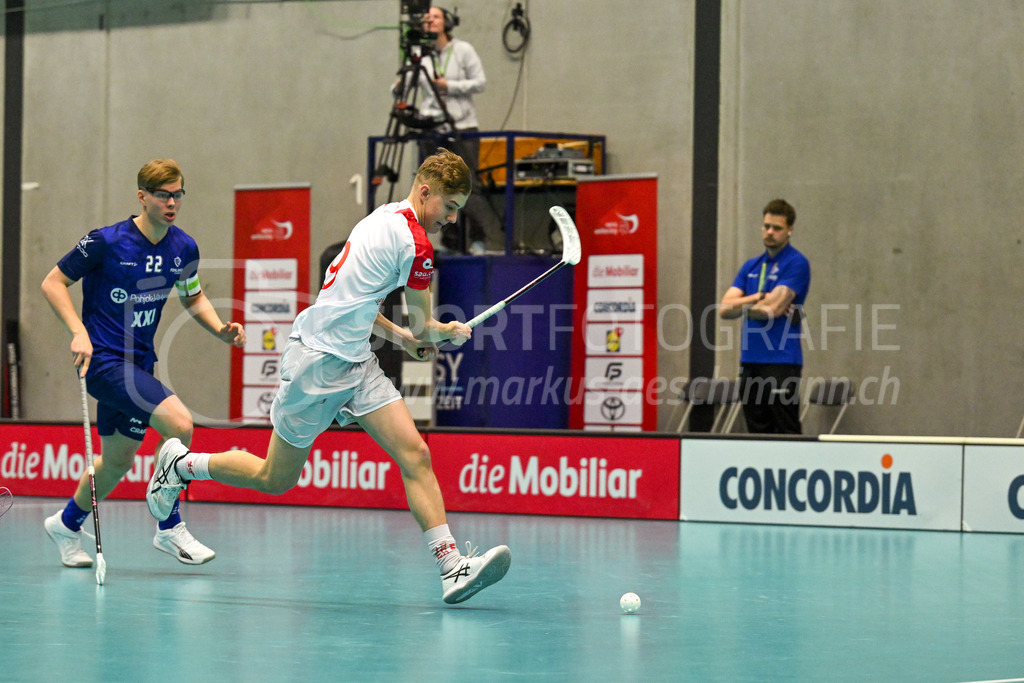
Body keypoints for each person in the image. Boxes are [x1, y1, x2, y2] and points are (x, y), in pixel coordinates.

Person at [146, 149, 511, 605]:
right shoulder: (415, 245)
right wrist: (448, 331)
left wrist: (401, 338)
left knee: (415, 452)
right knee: (274, 477)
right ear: (425, 192)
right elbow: (425, 327)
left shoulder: (382, 216)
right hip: (317, 365)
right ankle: (180, 466)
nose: (453, 219)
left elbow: (354, 302)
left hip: (356, 361)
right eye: (450, 207)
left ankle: (450, 566)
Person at [41, 158, 245, 568]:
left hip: (139, 366)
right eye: (163, 195)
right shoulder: (106, 242)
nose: (172, 202)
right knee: (180, 423)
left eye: (178, 194)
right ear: (142, 197)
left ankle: (66, 524)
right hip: (103, 363)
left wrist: (219, 329)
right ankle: (169, 528)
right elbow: (53, 281)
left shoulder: (183, 247)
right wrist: (77, 331)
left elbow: (192, 296)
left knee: (116, 462)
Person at [407, 5, 502, 255]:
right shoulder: (422, 55)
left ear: (446, 22)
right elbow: (406, 83)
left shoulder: (462, 50)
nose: (431, 21)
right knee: (437, 188)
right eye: (427, 18)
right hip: (432, 126)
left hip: (462, 126)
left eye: (436, 17)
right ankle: (450, 242)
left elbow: (479, 83)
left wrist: (448, 85)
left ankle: (480, 239)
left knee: (466, 185)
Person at [719, 198, 811, 434]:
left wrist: (742, 306)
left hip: (781, 362)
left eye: (777, 228)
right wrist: (758, 296)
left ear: (790, 229)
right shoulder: (751, 266)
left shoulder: (796, 263)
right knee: (756, 432)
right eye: (766, 226)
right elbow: (723, 309)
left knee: (785, 432)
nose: (770, 232)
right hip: (750, 361)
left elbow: (771, 311)